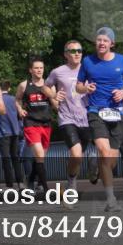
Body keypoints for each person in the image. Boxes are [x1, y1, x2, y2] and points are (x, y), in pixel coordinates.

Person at [76, 26, 123, 212]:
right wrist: (86, 89)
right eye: (99, 40)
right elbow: (78, 86)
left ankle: (95, 165)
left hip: (118, 113)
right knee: (104, 150)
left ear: (112, 43)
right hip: (96, 111)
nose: (101, 43)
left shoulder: (122, 61)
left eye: (105, 40)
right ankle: (111, 199)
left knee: (110, 161)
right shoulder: (87, 62)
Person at [45, 41, 90, 193]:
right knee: (76, 154)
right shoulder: (58, 72)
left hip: (87, 118)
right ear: (66, 54)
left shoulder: (89, 70)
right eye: (73, 51)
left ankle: (73, 175)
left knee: (79, 156)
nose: (77, 53)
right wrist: (53, 95)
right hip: (67, 118)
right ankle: (71, 182)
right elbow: (45, 86)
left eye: (79, 50)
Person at [17, 57, 55, 197]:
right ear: (31, 70)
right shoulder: (24, 85)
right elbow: (18, 99)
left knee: (40, 158)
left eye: (41, 68)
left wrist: (53, 96)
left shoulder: (49, 85)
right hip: (31, 123)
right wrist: (20, 110)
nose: (39, 70)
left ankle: (30, 179)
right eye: (36, 68)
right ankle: (45, 188)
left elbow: (56, 104)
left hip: (46, 124)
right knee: (39, 154)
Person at [0, 80, 25, 189]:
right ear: (9, 88)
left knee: (6, 159)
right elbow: (20, 116)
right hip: (15, 132)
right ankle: (20, 182)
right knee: (15, 158)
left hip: (3, 133)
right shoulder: (14, 100)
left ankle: (9, 185)